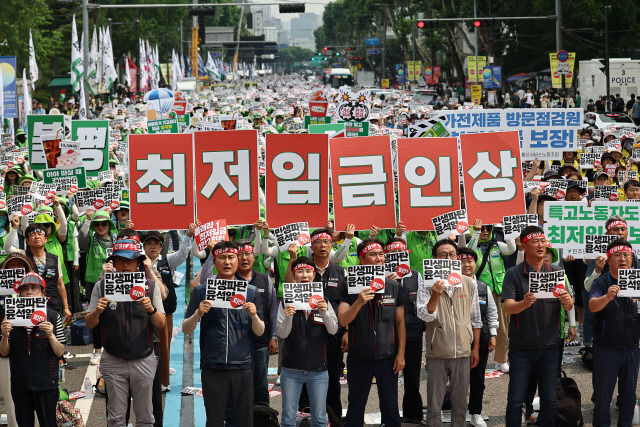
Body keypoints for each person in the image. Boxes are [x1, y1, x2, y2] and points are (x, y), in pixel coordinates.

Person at [85, 238, 166, 427]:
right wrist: (97, 311)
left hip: (144, 358)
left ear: (138, 262)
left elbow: (161, 323)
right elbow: (89, 323)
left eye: (130, 260)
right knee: (115, 418)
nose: (125, 264)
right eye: (120, 260)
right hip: (113, 360)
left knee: (146, 417)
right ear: (113, 263)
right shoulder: (102, 286)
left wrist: (151, 310)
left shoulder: (151, 287)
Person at [183, 240, 264, 427]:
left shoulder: (250, 292)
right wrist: (197, 313)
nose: (227, 262)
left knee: (244, 420)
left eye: (231, 257)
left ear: (237, 260)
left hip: (242, 365)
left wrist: (254, 316)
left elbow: (260, 331)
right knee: (214, 420)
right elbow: (187, 328)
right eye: (221, 258)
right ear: (214, 261)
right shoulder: (202, 291)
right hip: (213, 365)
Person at [501, 226, 573, 426]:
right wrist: (523, 303)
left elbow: (569, 304)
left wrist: (567, 301)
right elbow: (508, 307)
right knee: (516, 399)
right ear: (524, 246)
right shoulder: (513, 274)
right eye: (535, 241)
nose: (541, 245)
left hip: (550, 346)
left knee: (549, 399)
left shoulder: (556, 272)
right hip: (521, 347)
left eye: (543, 241)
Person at [338, 238, 406, 427]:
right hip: (359, 356)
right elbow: (343, 319)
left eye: (381, 254)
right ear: (361, 259)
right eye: (373, 254)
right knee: (356, 407)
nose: (378, 258)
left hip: (388, 357)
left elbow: (400, 322)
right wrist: (358, 302)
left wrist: (400, 354)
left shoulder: (393, 286)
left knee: (391, 407)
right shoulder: (348, 285)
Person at [417, 240, 482, 427]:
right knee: (435, 402)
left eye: (452, 254)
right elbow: (424, 316)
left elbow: (476, 318)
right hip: (437, 351)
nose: (448, 258)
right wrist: (436, 294)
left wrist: (475, 348)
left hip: (463, 350)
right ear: (434, 259)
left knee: (461, 401)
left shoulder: (469, 282)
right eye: (443, 255)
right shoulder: (426, 283)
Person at [277, 257, 339, 427]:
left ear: (314, 275)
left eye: (308, 272)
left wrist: (324, 312)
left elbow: (334, 330)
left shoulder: (323, 301)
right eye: (300, 272)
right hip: (291, 370)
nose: (304, 275)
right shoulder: (285, 301)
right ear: (293, 275)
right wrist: (289, 316)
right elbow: (282, 334)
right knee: (288, 419)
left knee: (319, 419)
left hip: (319, 370)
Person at [0, 273, 66, 427]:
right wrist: (4, 336)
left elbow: (60, 351)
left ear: (43, 293)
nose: (29, 292)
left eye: (34, 288)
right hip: (20, 383)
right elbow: (3, 352)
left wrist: (50, 335)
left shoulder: (53, 316)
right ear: (20, 294)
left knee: (49, 423)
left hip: (46, 383)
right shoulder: (10, 317)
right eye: (25, 289)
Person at [589, 239, 640, 427]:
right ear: (609, 260)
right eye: (617, 255)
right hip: (607, 348)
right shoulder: (601, 282)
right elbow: (592, 306)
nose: (623, 259)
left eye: (626, 255)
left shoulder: (637, 281)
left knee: (628, 395)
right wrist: (607, 297)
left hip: (633, 348)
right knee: (603, 395)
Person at [384, 238, 425, 424]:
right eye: (392, 255)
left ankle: (414, 413)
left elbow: (423, 303)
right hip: (387, 334)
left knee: (412, 376)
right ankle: (389, 415)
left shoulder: (416, 275)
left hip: (413, 332)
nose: (396, 258)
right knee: (388, 378)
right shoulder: (380, 277)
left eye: (400, 255)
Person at [468, 220, 516, 373]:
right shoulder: (473, 245)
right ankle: (473, 356)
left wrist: (507, 230)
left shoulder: (497, 245)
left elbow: (511, 248)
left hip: (499, 290)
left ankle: (501, 360)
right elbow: (467, 251)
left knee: (502, 326)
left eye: (488, 228)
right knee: (477, 325)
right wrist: (475, 233)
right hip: (479, 291)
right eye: (482, 229)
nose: (485, 231)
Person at [459, 247, 498, 427]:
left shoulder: (483, 286)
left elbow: (491, 312)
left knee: (477, 379)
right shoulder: (451, 285)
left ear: (475, 263)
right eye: (462, 261)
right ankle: (457, 413)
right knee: (458, 379)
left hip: (480, 339)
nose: (466, 265)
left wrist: (493, 334)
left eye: (470, 261)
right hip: (457, 339)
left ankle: (475, 412)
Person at [4, 222, 71, 324]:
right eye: (32, 235)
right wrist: (14, 228)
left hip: (51, 304)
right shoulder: (23, 256)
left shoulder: (54, 258)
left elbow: (60, 284)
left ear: (46, 239)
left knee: (51, 334)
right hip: (28, 305)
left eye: (40, 234)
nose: (36, 237)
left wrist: (65, 306)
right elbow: (7, 247)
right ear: (27, 240)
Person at [78, 210, 119, 365]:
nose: (101, 226)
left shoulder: (118, 239)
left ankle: (113, 346)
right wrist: (88, 221)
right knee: (96, 314)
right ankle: (96, 350)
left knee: (114, 313)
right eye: (97, 224)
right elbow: (81, 240)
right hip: (94, 282)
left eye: (104, 223)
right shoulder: (90, 239)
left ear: (109, 225)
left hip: (115, 281)